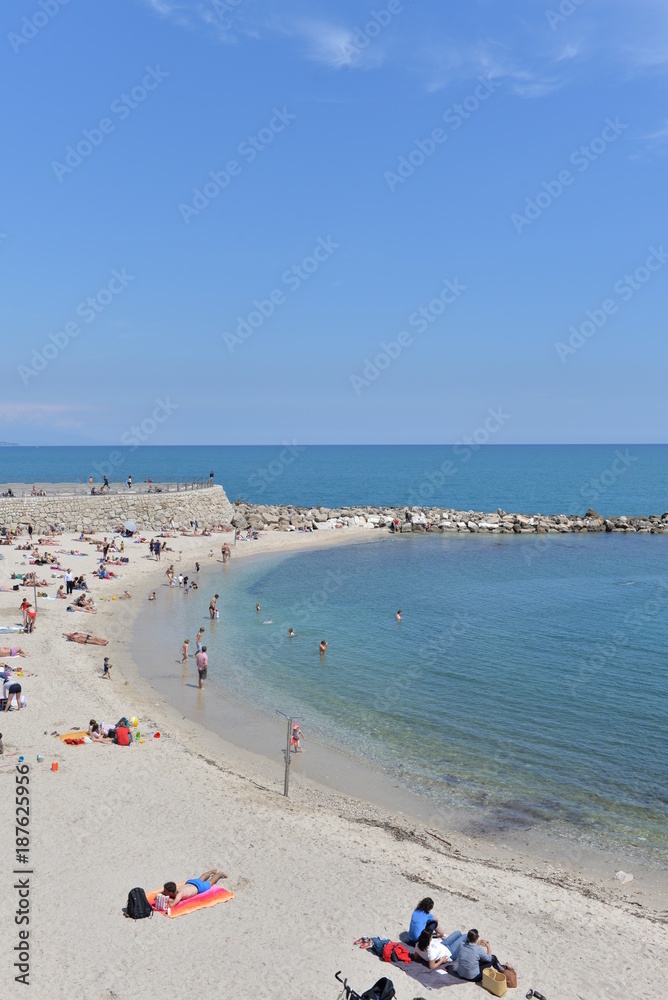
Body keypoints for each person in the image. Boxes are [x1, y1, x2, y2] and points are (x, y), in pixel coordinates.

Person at [162, 867, 227, 909]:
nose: (163, 892)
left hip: (198, 888)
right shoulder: (175, 888)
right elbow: (163, 893)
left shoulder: (180, 894)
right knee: (201, 878)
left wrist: (167, 900)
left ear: (170, 893)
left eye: (165, 891)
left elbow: (172, 905)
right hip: (191, 883)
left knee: (210, 882)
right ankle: (212, 871)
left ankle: (220, 873)